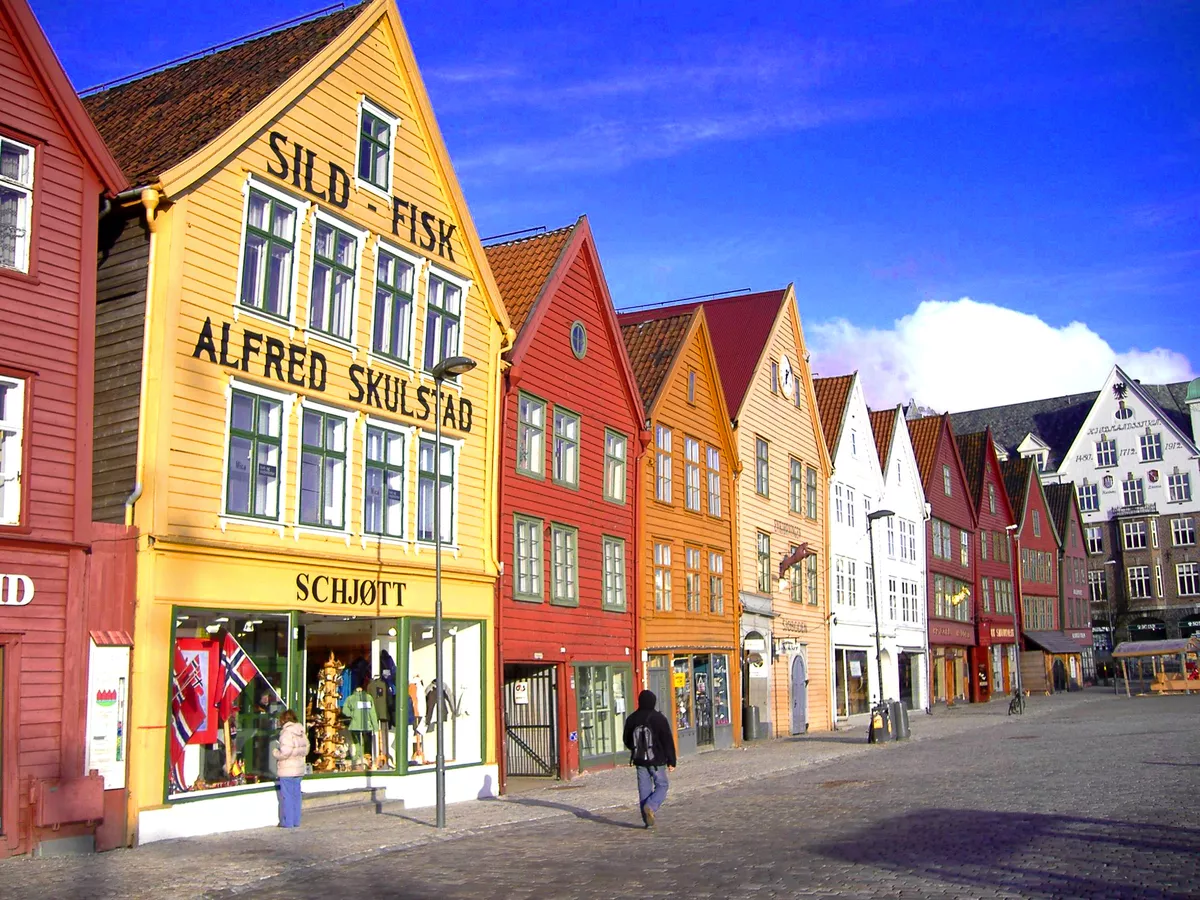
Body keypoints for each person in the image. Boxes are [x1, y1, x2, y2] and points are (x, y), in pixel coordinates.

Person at [622, 689, 676, 829]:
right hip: (656, 760)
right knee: (662, 785)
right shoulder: (659, 718)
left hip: (639, 760)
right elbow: (667, 740)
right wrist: (671, 760)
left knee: (644, 790)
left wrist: (635, 750)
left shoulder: (632, 718)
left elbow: (626, 739)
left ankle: (647, 821)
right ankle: (651, 806)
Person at [272, 709, 309, 828]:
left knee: (287, 796)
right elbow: (306, 749)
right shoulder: (301, 731)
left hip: (287, 769)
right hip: (298, 768)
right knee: (296, 795)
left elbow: (285, 752)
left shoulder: (286, 733)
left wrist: (275, 753)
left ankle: (287, 822)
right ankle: (295, 821)